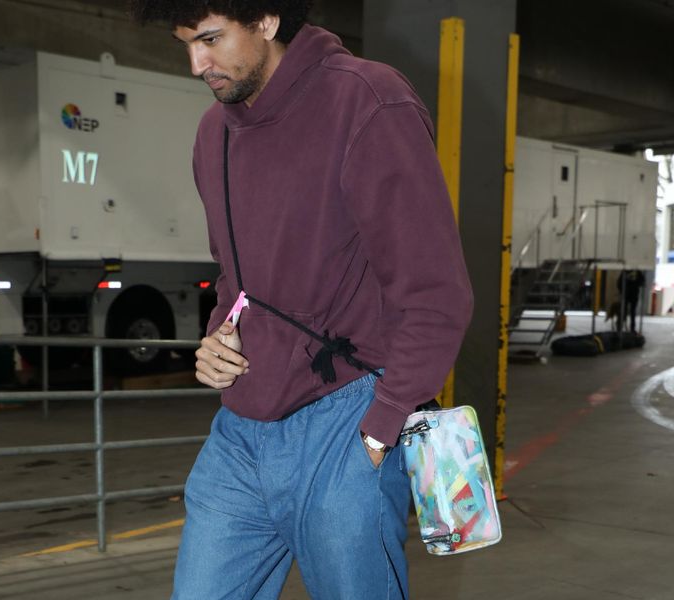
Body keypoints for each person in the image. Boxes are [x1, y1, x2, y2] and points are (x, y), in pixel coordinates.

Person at [131, 2, 474, 597]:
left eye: (210, 39)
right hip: (240, 431)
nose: (195, 62)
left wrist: (379, 431)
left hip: (347, 416)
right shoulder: (214, 133)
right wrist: (218, 334)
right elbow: (233, 276)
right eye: (184, 42)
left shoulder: (367, 100)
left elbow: (436, 289)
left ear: (266, 20)